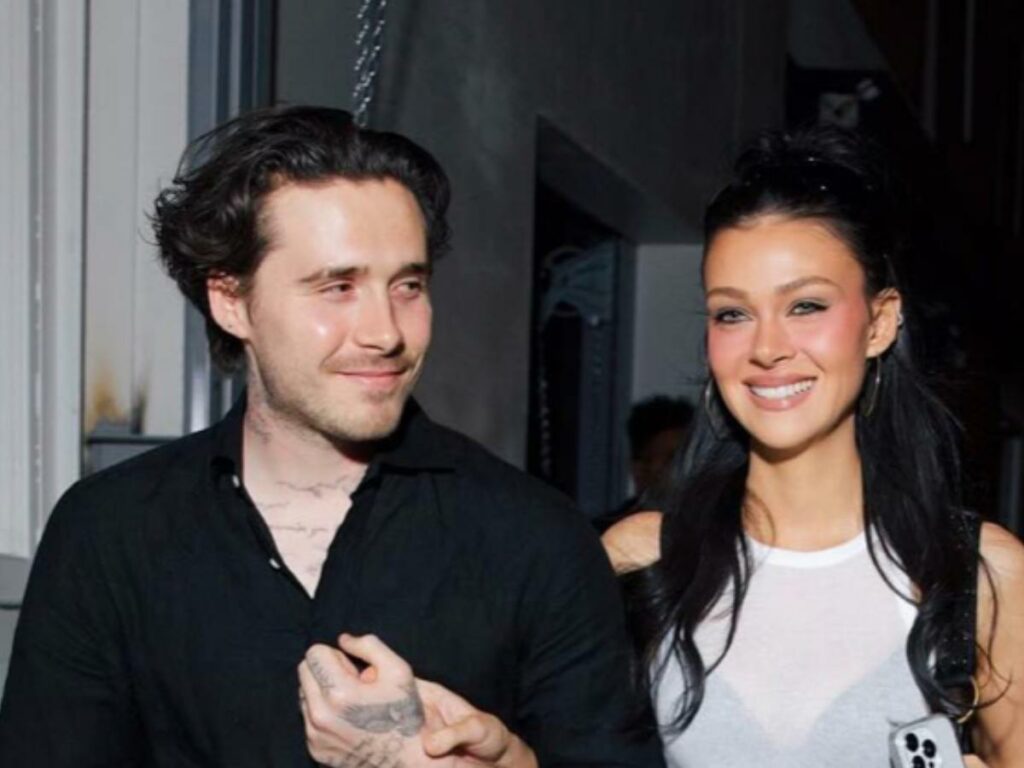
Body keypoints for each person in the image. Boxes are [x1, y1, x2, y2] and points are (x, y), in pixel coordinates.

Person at [0, 106, 660, 767]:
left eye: (408, 285)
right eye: (337, 287)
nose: (386, 332)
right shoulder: (111, 532)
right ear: (232, 302)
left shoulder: (534, 536)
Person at [602, 126, 1024, 766]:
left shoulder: (981, 573)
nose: (767, 348)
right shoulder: (642, 561)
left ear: (880, 322)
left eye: (805, 306)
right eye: (733, 313)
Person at [593, 396, 693, 534]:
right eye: (674, 459)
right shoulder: (606, 535)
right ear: (640, 468)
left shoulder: (711, 529)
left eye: (691, 459)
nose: (688, 469)